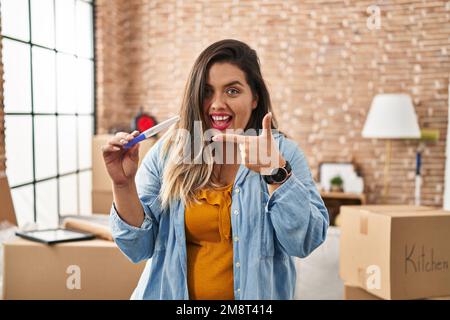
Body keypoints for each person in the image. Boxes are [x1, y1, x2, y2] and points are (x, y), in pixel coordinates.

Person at [102, 39, 329, 300]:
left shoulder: (282, 154)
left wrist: (275, 172)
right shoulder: (169, 153)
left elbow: (305, 242)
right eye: (207, 91)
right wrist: (122, 184)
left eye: (232, 91)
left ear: (254, 98)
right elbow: (137, 248)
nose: (217, 104)